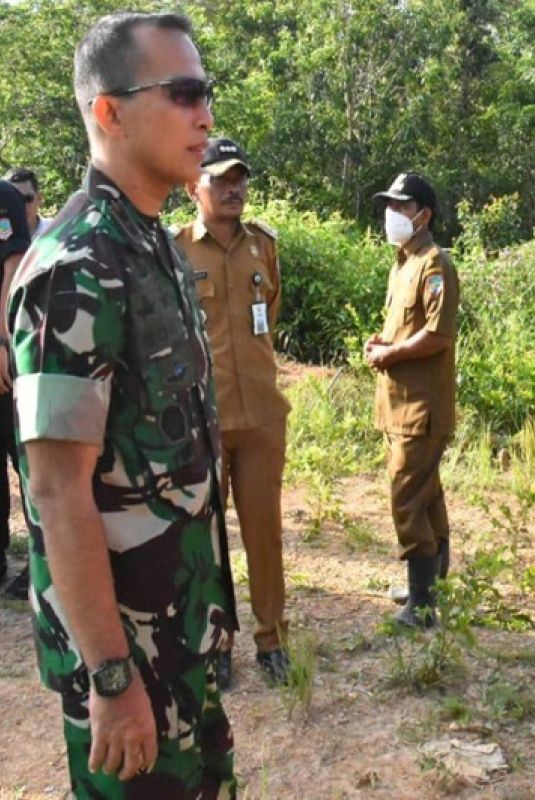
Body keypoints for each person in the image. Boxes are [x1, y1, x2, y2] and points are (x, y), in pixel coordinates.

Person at [8, 12, 237, 796]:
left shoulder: (150, 245)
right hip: (128, 659)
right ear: (108, 111)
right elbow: (55, 491)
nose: (205, 113)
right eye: (183, 93)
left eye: (205, 91)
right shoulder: (73, 267)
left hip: (182, 633)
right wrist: (110, 678)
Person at [175, 137, 291, 688]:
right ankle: (216, 642)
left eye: (239, 179)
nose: (233, 189)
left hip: (262, 417)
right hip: (204, 418)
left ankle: (272, 641)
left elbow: (269, 311)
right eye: (220, 179)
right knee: (208, 534)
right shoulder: (175, 249)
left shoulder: (262, 246)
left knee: (264, 532)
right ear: (194, 186)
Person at [365, 172, 459, 629]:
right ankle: (429, 589)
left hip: (421, 410)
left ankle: (421, 606)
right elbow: (410, 327)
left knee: (406, 498)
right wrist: (384, 342)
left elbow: (438, 335)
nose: (392, 215)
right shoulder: (403, 262)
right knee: (426, 497)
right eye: (390, 206)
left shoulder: (435, 263)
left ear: (423, 215)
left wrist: (391, 353)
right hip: (399, 406)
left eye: (401, 207)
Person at [0, 179, 29, 594]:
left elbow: (11, 267)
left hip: (6, 356)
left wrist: (3, 340)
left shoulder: (4, 198)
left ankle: (48, 564)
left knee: (28, 459)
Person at [6, 168, 51, 239]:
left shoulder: (57, 230)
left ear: (39, 199)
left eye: (27, 199)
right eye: (14, 200)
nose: (21, 205)